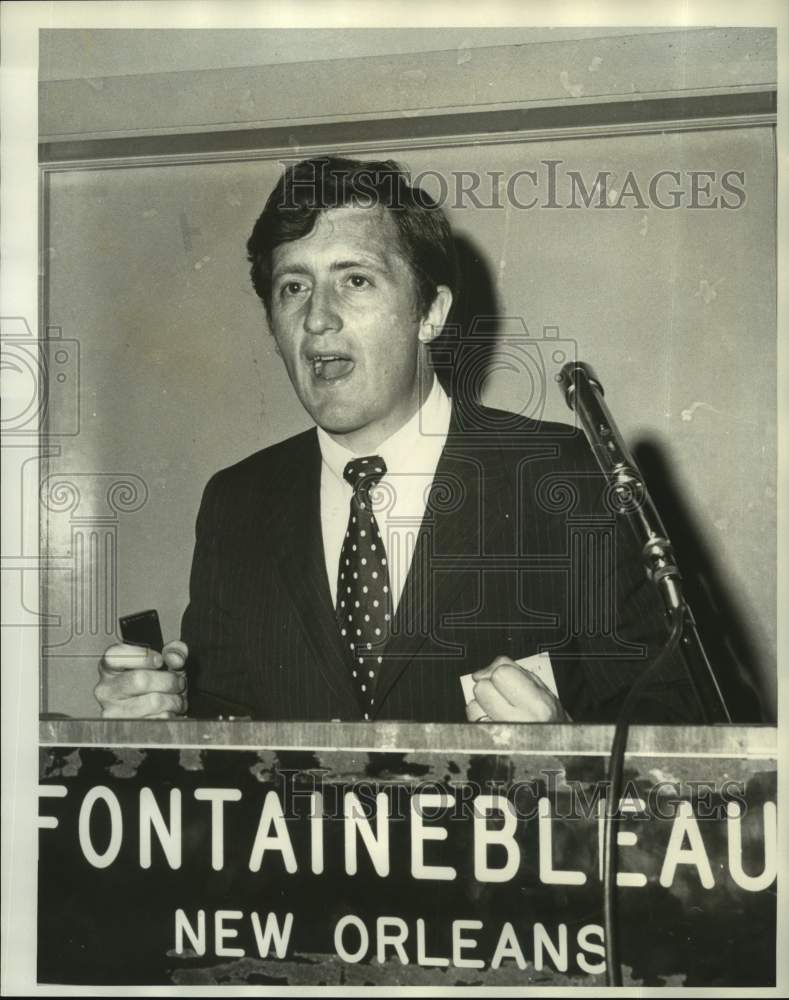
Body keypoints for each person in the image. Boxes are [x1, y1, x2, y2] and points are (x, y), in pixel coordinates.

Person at [95, 156, 703, 724]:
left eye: (355, 280)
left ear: (430, 313)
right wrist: (159, 721)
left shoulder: (570, 476)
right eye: (293, 287)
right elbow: (222, 737)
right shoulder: (236, 503)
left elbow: (679, 750)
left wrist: (565, 750)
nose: (318, 319)